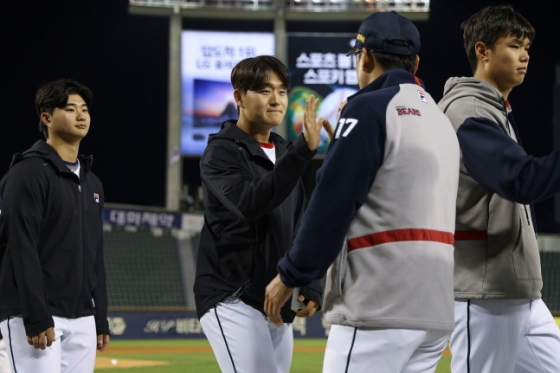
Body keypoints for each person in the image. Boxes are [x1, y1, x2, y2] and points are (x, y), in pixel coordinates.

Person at [265, 11, 460, 373]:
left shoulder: (368, 108)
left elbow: (332, 202)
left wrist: (290, 275)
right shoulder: (440, 118)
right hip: (434, 312)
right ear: (415, 62)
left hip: (379, 305)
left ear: (365, 56)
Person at [437, 5, 560, 373]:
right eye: (513, 45)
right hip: (482, 291)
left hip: (515, 290)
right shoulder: (468, 110)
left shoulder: (493, 109)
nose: (524, 55)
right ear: (483, 51)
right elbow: (522, 180)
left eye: (527, 47)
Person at [193, 55, 324, 373]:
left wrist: (311, 284)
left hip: (277, 299)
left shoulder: (284, 151)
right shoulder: (220, 152)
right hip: (231, 297)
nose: (277, 99)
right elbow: (252, 202)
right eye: (265, 90)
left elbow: (301, 225)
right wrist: (302, 154)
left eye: (281, 90)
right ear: (239, 96)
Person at [0, 79, 110, 373]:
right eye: (70, 109)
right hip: (37, 314)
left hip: (83, 317)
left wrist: (99, 317)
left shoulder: (92, 182)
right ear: (46, 117)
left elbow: (95, 254)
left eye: (85, 109)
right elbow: (20, 247)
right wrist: (36, 314)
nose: (81, 115)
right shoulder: (27, 172)